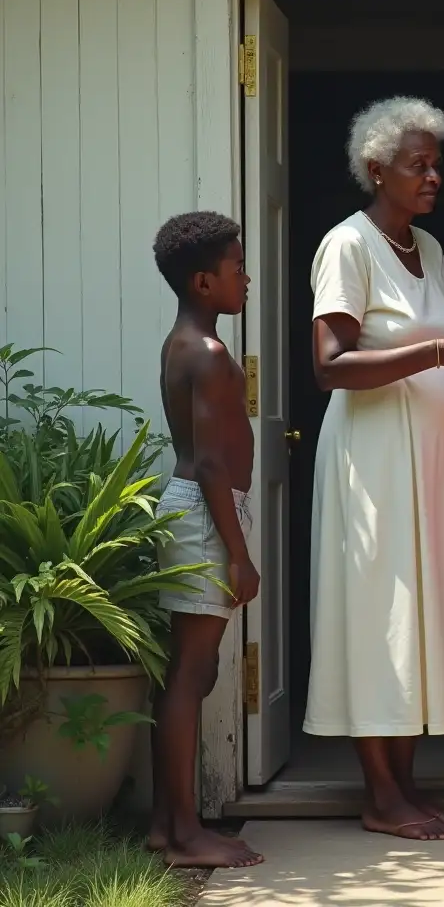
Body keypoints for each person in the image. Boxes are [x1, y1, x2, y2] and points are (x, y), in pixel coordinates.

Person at [303, 96, 444, 842]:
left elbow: (440, 347)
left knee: (418, 613)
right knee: (378, 614)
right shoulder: (348, 246)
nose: (433, 176)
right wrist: (438, 355)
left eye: (436, 163)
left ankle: (405, 785)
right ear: (376, 170)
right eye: (417, 164)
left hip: (432, 464)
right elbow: (331, 367)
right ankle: (379, 794)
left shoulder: (427, 249)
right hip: (373, 463)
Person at [149, 211, 263, 869]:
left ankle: (168, 825)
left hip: (194, 510)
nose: (245, 278)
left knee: (190, 673)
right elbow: (215, 462)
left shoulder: (181, 343)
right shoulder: (212, 355)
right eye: (236, 268)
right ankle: (187, 833)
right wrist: (239, 554)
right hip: (205, 515)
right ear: (202, 281)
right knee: (192, 675)